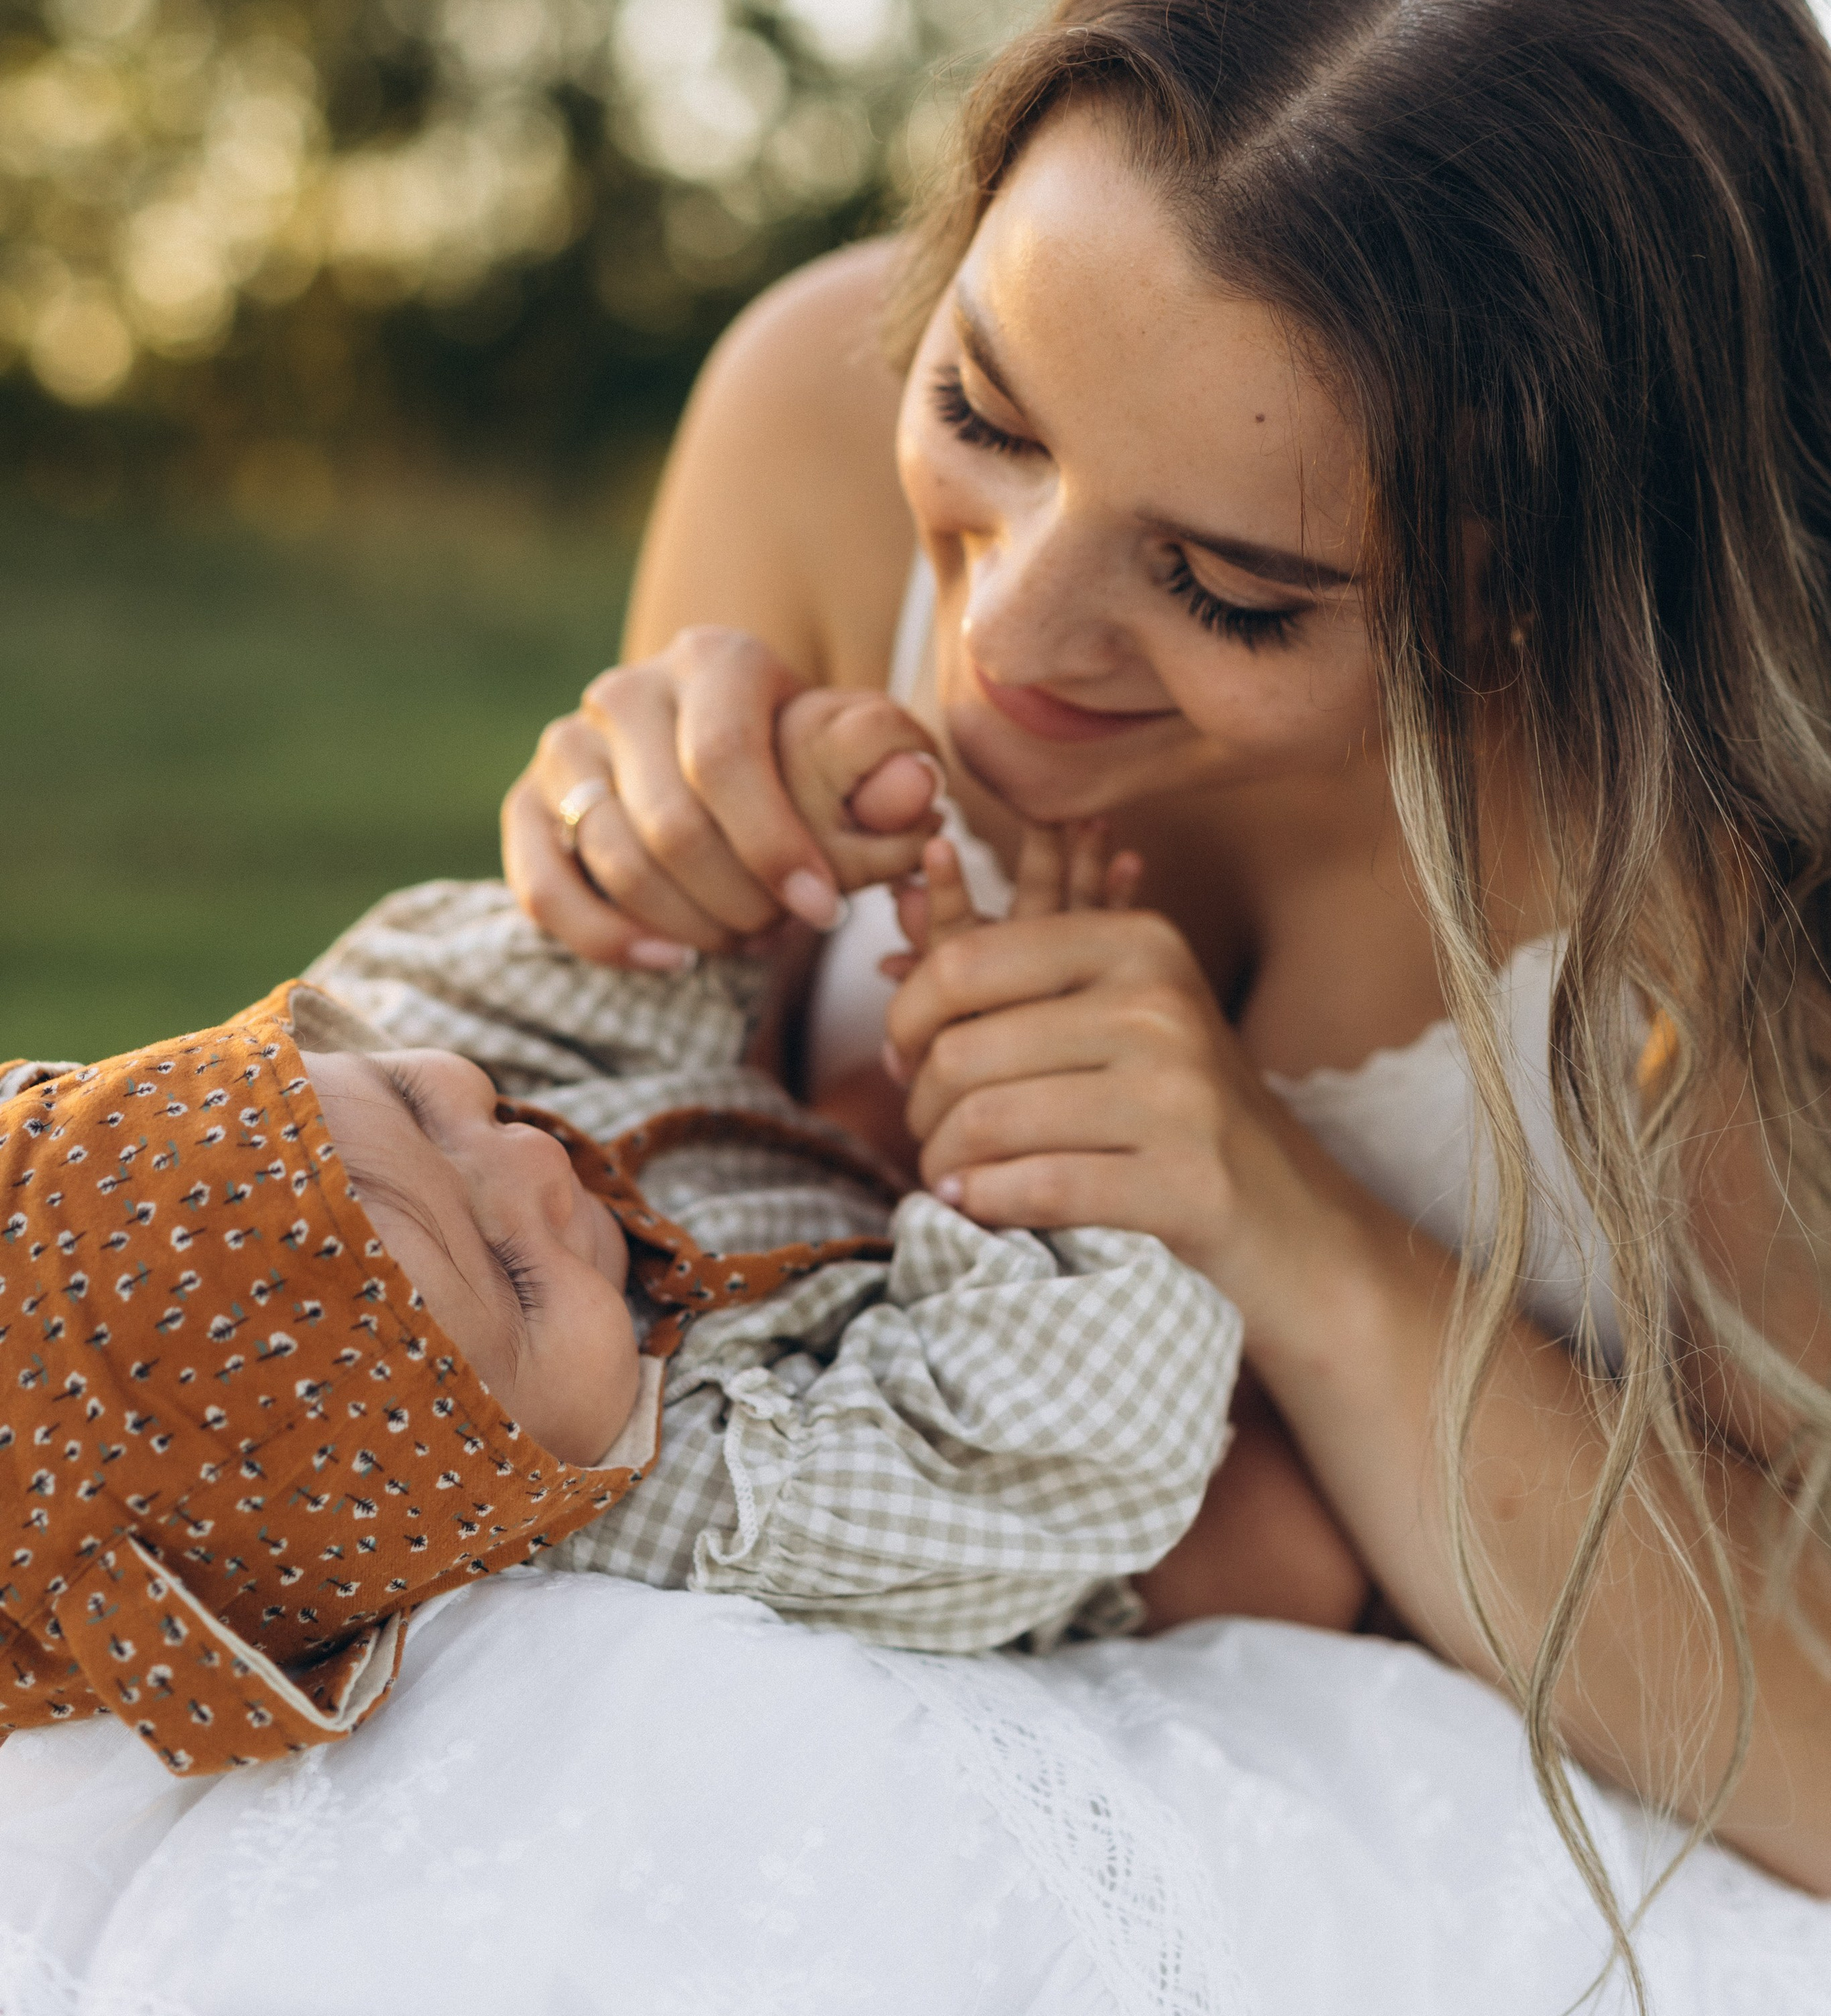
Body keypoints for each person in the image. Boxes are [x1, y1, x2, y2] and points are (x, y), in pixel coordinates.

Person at [501, 0, 1831, 1927]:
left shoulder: (1734, 882)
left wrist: (1275, 1217)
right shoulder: (801, 412)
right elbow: (582, 1261)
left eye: (1229, 588)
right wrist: (616, 894)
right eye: (985, 412)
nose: (1006, 639)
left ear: (1549, 596)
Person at [0, 697, 1237, 1776]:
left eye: (424, 1101)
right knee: (1261, 1554)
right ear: (476, 1498)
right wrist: (1036, 1118)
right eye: (515, 1276)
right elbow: (1064, 1425)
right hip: (1122, 1473)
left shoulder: (382, 1110)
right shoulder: (709, 1501)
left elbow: (575, 968)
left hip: (853, 1174)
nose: (533, 1162)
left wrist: (746, 840)